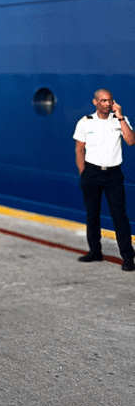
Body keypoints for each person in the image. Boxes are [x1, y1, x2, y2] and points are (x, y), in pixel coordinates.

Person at [73, 89, 134, 271]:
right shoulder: (85, 123)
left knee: (119, 216)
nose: (107, 104)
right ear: (95, 102)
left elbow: (131, 141)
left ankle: (128, 257)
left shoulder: (120, 120)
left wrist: (121, 116)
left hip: (113, 175)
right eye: (103, 101)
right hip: (91, 173)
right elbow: (79, 150)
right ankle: (95, 251)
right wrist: (84, 174)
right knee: (92, 215)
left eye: (110, 101)